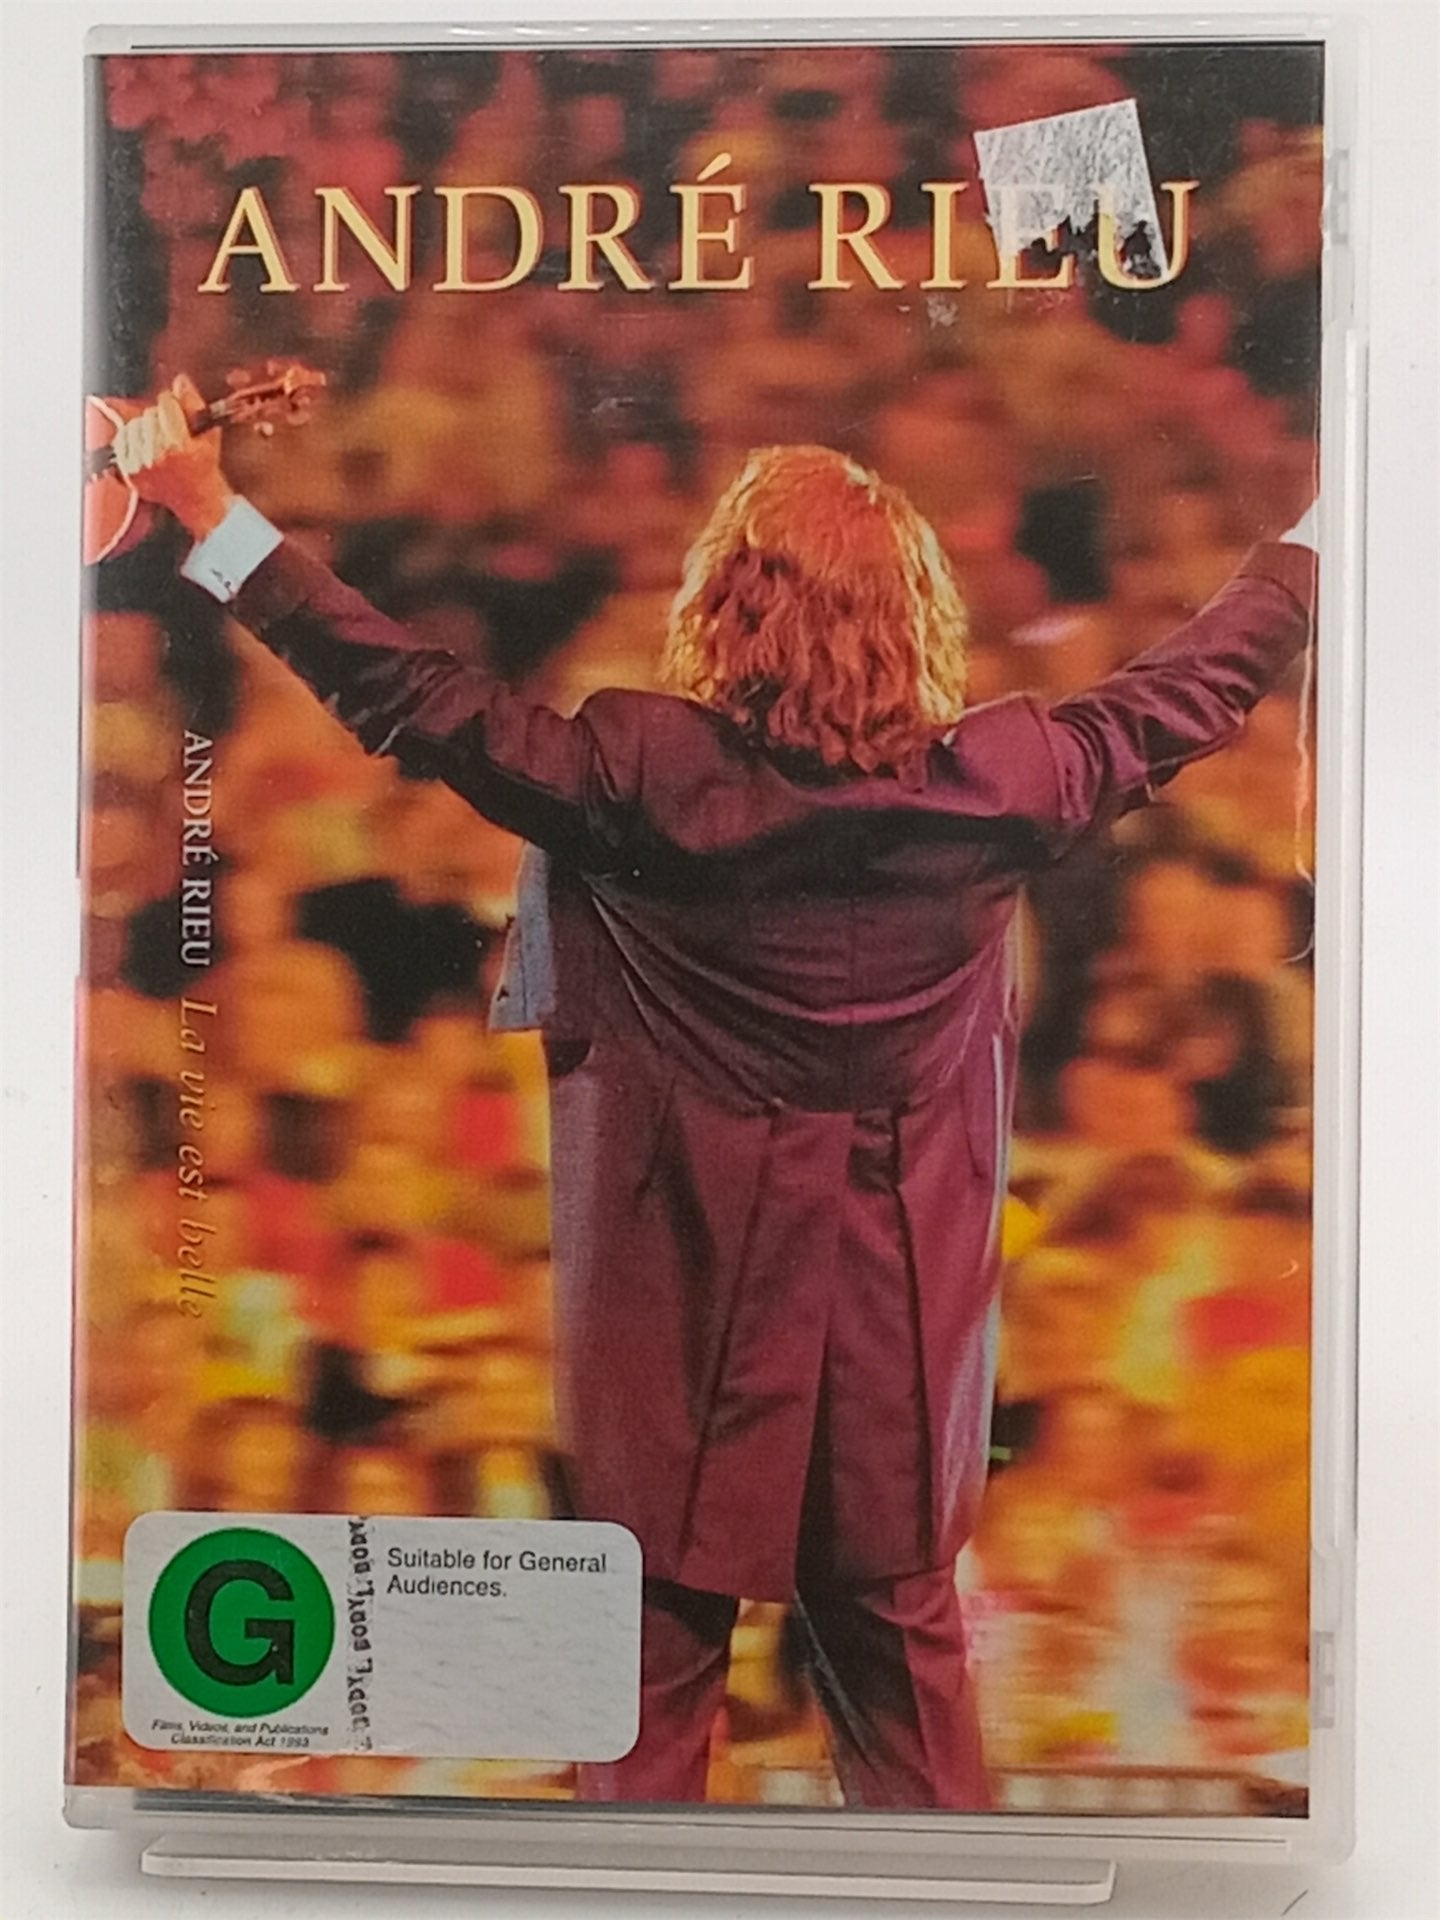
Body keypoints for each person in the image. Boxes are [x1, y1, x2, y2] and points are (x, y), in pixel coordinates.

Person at [112, 377, 1317, 1809]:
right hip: (897, 1334)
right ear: (916, 618)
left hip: (681, 1317)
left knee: (645, 1682)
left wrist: (208, 509)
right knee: (906, 1693)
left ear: (729, 611)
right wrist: (1313, 541)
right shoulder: (1006, 785)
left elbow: (408, 694)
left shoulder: (645, 778)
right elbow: (1192, 686)